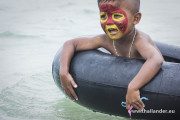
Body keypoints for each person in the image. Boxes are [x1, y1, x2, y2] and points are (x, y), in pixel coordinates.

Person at [59, 0, 164, 111]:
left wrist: (133, 87)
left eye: (117, 16)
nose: (109, 22)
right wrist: (63, 72)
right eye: (104, 16)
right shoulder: (105, 40)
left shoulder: (139, 41)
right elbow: (71, 44)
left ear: (136, 19)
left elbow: (156, 59)